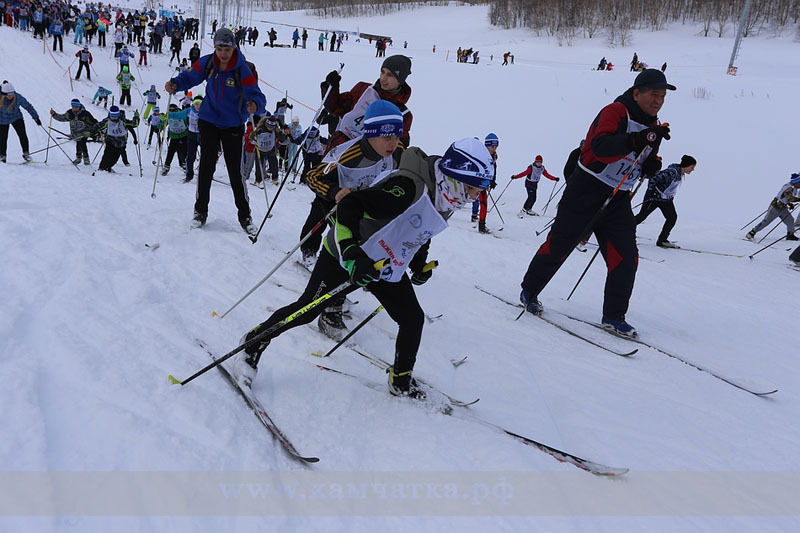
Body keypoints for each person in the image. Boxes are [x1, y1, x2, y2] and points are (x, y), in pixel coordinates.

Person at [231, 137, 494, 396]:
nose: (474, 197)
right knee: (306, 310)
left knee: (412, 319)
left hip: (382, 262)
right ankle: (252, 344)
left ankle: (400, 381)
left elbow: (422, 230)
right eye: (473, 189)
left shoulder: (445, 196)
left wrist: (418, 264)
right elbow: (349, 205)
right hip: (345, 253)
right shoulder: (408, 188)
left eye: (479, 190)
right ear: (456, 176)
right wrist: (352, 254)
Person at [519, 68, 674, 338]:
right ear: (637, 93)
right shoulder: (615, 111)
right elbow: (600, 147)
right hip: (586, 189)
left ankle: (614, 315)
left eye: (662, 96)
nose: (658, 100)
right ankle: (529, 290)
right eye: (653, 94)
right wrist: (636, 140)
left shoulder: (654, 125)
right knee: (560, 245)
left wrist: (650, 163)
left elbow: (642, 157)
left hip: (619, 197)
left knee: (626, 257)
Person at [299, 100, 405, 303]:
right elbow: (313, 176)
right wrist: (334, 192)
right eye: (387, 136)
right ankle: (330, 304)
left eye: (397, 136)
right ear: (371, 133)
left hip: (365, 208)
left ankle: (347, 284)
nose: (394, 142)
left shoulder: (397, 151)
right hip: (337, 207)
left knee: (366, 244)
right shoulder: (346, 155)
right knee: (344, 246)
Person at [164, 28, 266, 234]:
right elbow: (190, 76)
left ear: (233, 48)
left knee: (235, 172)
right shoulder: (208, 63)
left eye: (226, 48)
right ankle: (200, 212)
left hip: (232, 125)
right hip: (208, 121)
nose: (222, 53)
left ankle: (245, 216)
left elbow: (257, 95)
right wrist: (175, 84)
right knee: (206, 166)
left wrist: (255, 105)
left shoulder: (242, 69)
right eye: (219, 48)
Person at [321, 55, 413, 154]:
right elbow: (335, 107)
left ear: (400, 80)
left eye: (390, 75)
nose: (384, 78)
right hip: (336, 149)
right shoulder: (363, 90)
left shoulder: (403, 114)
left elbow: (395, 150)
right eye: (382, 72)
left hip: (363, 162)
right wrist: (331, 87)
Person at [635, 155, 697, 248]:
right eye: (692, 167)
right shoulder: (672, 172)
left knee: (672, 218)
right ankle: (623, 231)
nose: (692, 170)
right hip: (654, 198)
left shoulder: (680, 174)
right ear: (686, 165)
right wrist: (653, 193)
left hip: (666, 200)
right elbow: (654, 178)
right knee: (641, 217)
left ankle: (662, 240)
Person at [745, 173, 800, 242]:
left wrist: (789, 204)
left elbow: (784, 198)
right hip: (775, 208)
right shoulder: (789, 188)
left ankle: (790, 235)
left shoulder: (793, 187)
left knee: (790, 220)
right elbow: (789, 198)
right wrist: (797, 200)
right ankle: (752, 232)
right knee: (766, 222)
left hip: (783, 208)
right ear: (796, 182)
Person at [0, 82, 41, 163]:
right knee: (2, 138)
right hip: (2, 120)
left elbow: (28, 106)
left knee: (22, 135)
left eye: (12, 93)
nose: (11, 96)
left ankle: (26, 153)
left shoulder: (18, 97)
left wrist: (36, 117)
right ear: (4, 94)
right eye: (8, 94)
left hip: (16, 118)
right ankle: (2, 155)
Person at [50, 98, 97, 166]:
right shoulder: (70, 113)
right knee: (78, 144)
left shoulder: (85, 113)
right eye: (73, 107)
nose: (74, 109)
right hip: (75, 133)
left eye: (76, 107)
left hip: (84, 133)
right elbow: (62, 118)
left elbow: (92, 122)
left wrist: (95, 128)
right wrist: (54, 114)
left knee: (83, 144)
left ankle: (86, 160)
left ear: (79, 106)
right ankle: (78, 158)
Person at [95, 105, 139, 172]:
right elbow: (98, 126)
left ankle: (109, 167)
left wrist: (136, 117)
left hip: (121, 142)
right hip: (110, 140)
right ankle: (102, 168)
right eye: (112, 116)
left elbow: (134, 124)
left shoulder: (123, 121)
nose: (114, 118)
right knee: (107, 155)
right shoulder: (107, 121)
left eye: (115, 116)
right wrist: (92, 130)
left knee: (115, 158)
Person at [472, 133, 499, 234]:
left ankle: (482, 226)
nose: (494, 149)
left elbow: (493, 170)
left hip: (484, 185)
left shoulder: (494, 156)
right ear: (487, 145)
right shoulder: (481, 156)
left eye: (496, 147)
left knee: (483, 204)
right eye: (492, 146)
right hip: (476, 184)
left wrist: (492, 181)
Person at [161, 103, 190, 175]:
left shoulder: (181, 114)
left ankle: (185, 164)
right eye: (170, 111)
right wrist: (159, 126)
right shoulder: (168, 115)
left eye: (174, 111)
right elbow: (164, 123)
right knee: (171, 151)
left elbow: (188, 121)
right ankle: (167, 166)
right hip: (174, 135)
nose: (172, 112)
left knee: (185, 149)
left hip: (184, 134)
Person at [184, 96, 202, 183]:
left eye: (200, 104)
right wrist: (168, 115)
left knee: (206, 157)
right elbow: (179, 115)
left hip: (202, 136)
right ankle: (189, 175)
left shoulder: (206, 112)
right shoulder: (189, 111)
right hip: (191, 135)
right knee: (190, 157)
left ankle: (205, 175)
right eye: (196, 104)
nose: (198, 106)